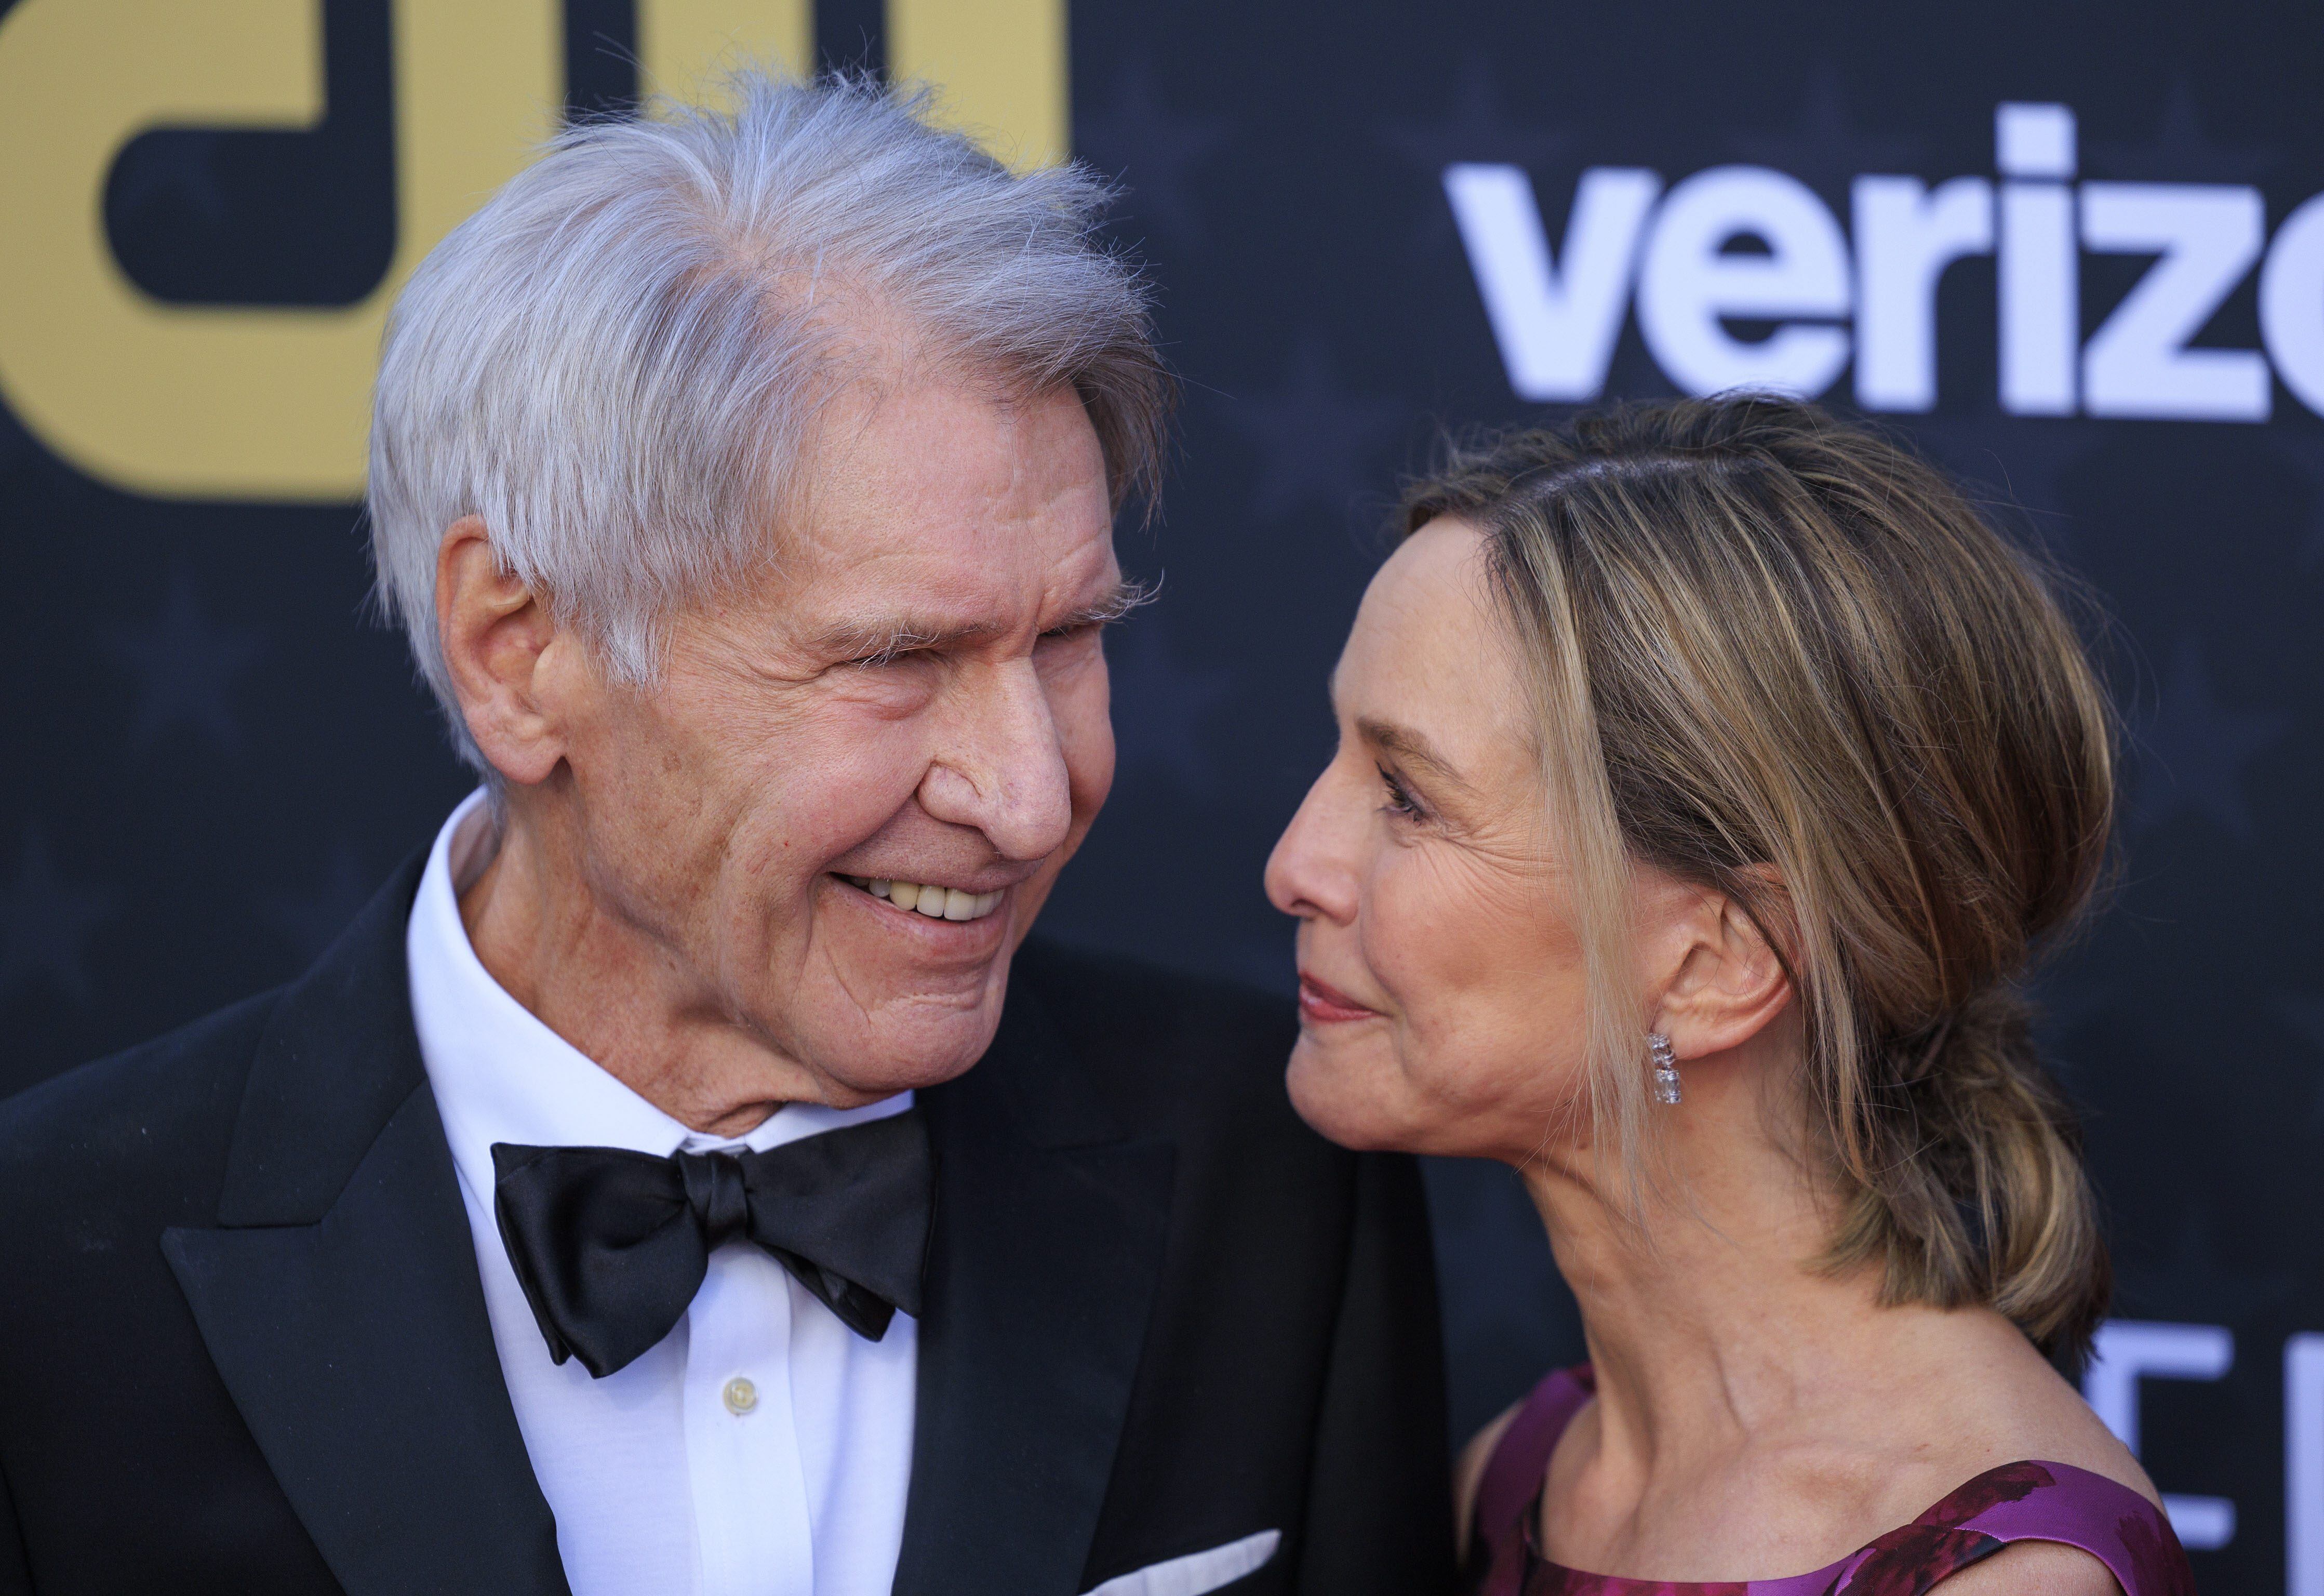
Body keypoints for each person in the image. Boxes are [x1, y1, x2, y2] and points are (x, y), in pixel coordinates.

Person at [0, 75, 1451, 1596]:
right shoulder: (47, 1279)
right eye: (896, 659)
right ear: (520, 650)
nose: (1030, 795)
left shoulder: (1271, 1174)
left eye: (1070, 638)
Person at [1264, 397, 2193, 1596]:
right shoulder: (1522, 1475)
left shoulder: (2002, 1581)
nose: (1294, 864)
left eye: (1407, 795)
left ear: (1716, 964)